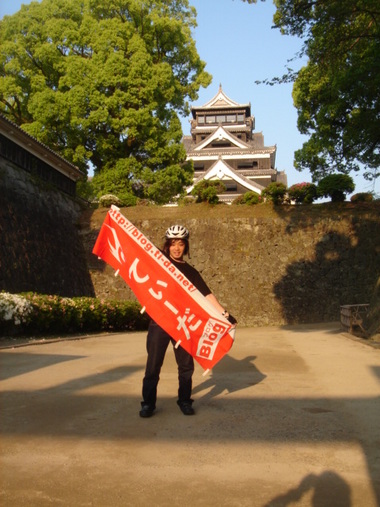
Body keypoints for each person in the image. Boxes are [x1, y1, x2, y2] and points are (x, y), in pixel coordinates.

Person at [140, 224, 236, 418]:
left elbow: (207, 295)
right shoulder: (159, 260)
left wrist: (225, 313)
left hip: (183, 324)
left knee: (186, 367)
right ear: (167, 245)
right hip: (159, 321)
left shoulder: (191, 272)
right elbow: (138, 245)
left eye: (181, 244)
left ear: (186, 246)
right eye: (173, 243)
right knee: (153, 365)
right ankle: (148, 403)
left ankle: (184, 400)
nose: (177, 248)